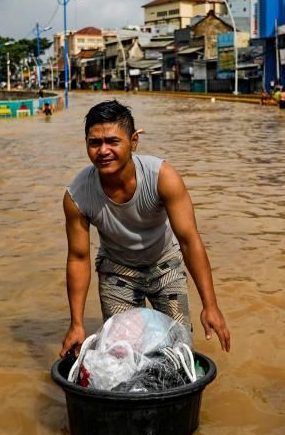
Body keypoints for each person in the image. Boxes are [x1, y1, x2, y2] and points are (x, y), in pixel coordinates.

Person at [59, 100, 231, 357]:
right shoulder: (78, 195)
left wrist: (210, 305)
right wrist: (77, 323)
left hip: (165, 266)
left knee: (178, 350)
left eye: (112, 141)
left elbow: (189, 240)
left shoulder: (162, 177)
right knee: (122, 355)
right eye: (94, 143)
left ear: (134, 141)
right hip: (117, 272)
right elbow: (78, 258)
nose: (103, 150)